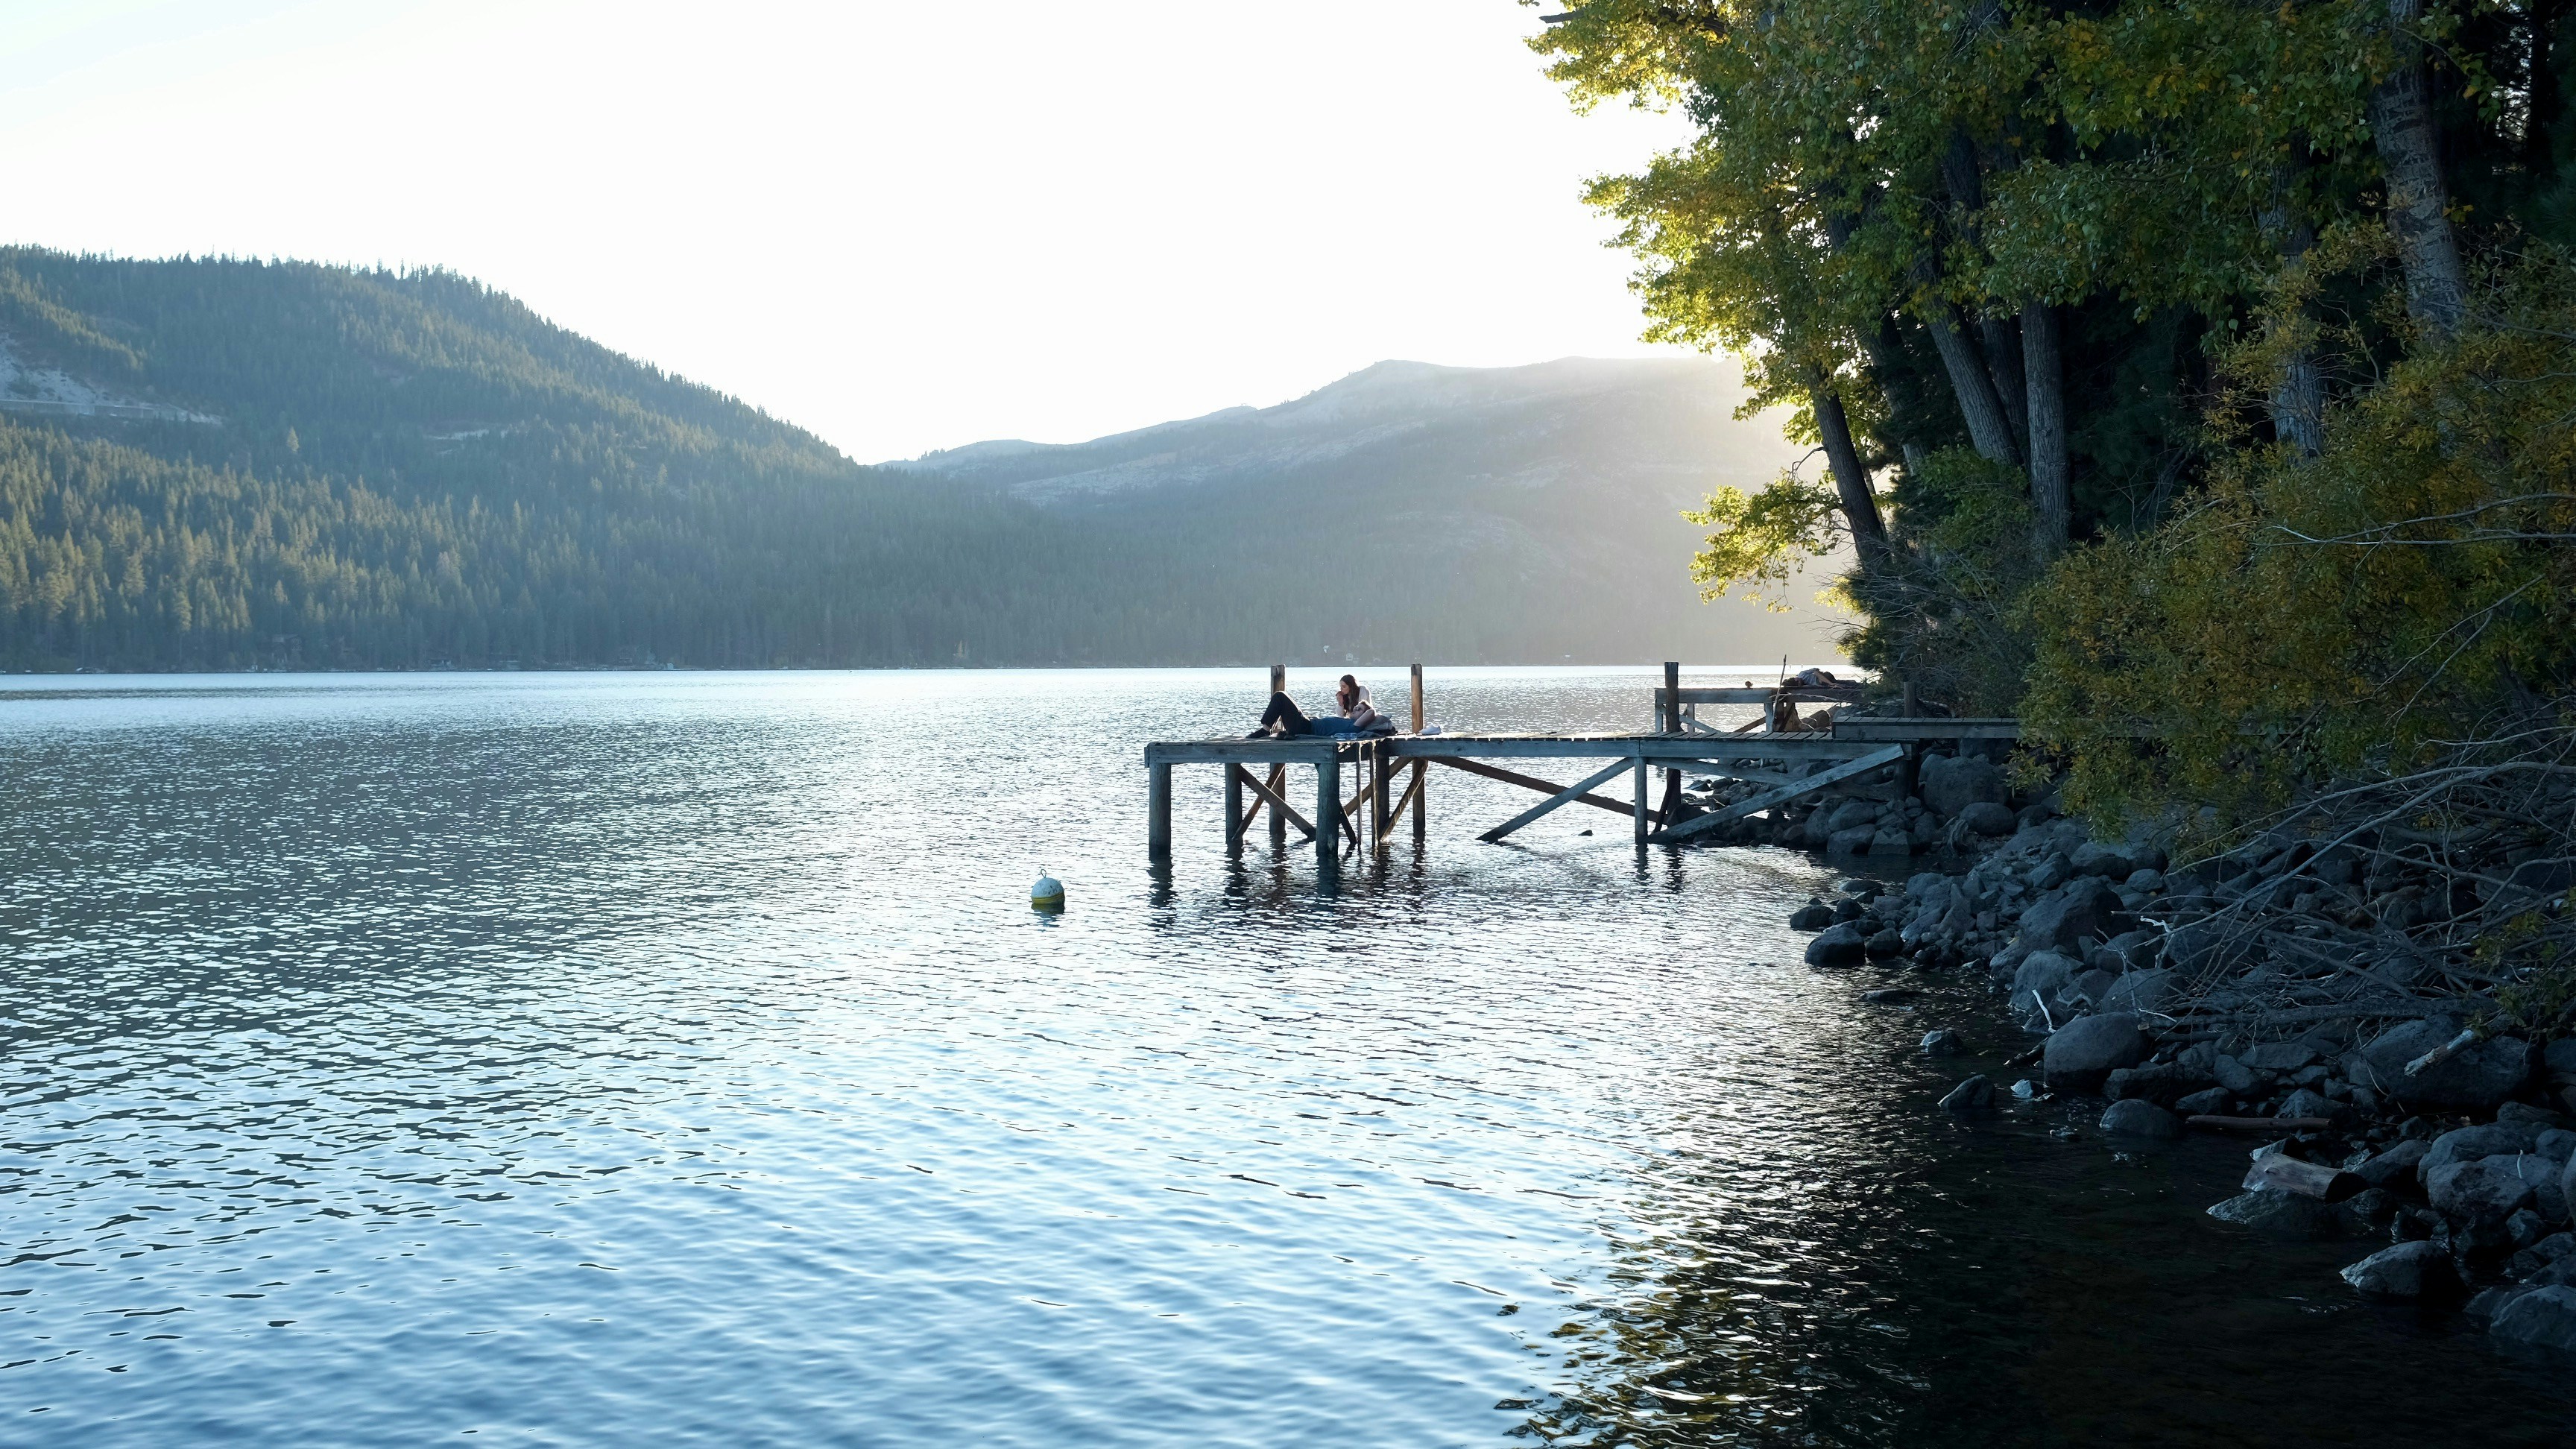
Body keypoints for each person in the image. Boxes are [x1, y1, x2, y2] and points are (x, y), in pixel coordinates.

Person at [1250, 675, 1385, 737]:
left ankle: (1266, 729)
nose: (1355, 708)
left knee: (1280, 696)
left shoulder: (1355, 727)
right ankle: (1269, 729)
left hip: (1306, 727)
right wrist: (1342, 704)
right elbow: (1344, 713)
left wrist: (1363, 708)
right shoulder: (1349, 723)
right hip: (1305, 725)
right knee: (1280, 699)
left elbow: (1371, 712)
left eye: (1359, 709)